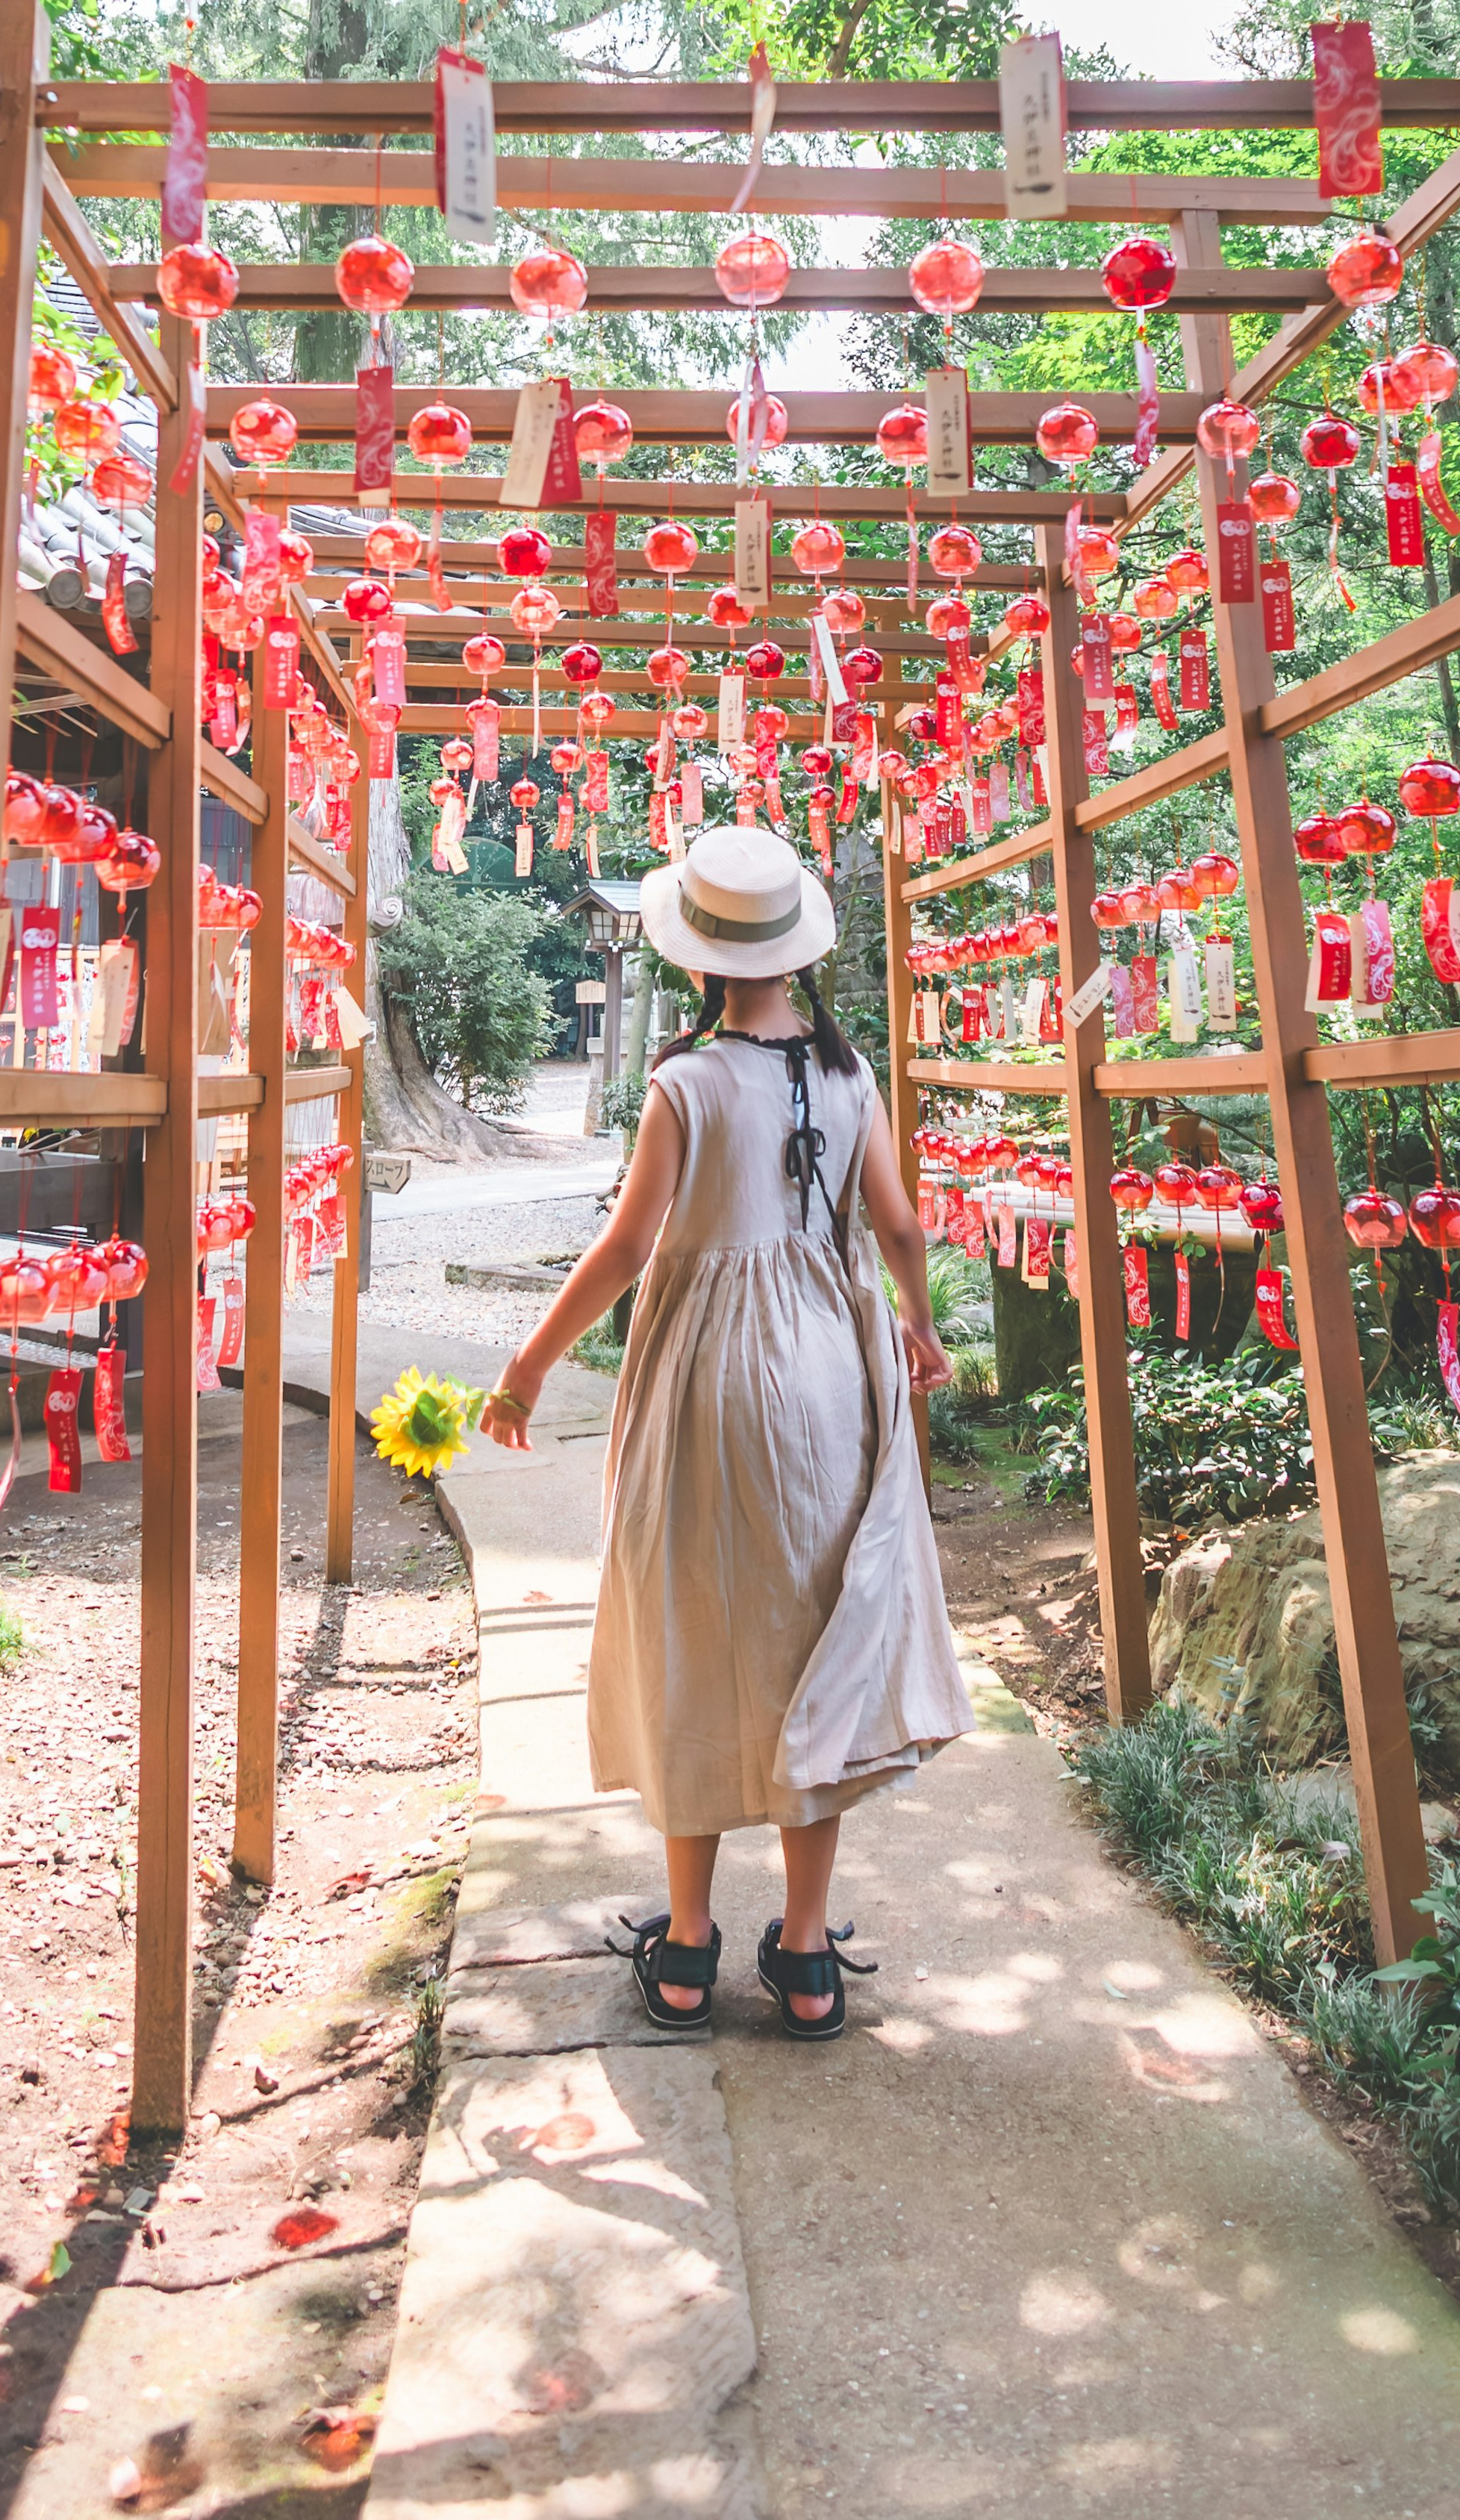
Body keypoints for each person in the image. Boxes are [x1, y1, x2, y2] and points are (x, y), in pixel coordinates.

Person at [478, 823, 971, 2039]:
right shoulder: (854, 1078)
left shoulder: (686, 1083)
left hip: (707, 1372)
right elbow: (901, 1229)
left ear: (701, 960)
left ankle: (689, 1953)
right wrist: (917, 1326)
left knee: (689, 1627)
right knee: (821, 1638)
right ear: (795, 953)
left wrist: (527, 1367)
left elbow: (631, 1247)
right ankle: (806, 1961)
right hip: (830, 1368)